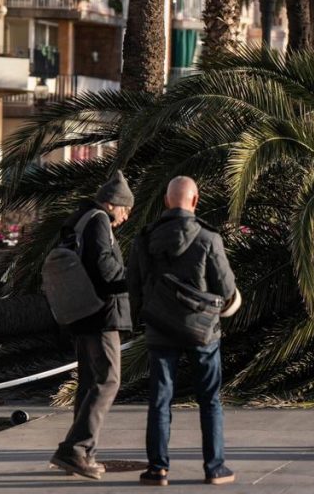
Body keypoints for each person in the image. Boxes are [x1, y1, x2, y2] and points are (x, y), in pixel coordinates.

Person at [128, 176, 240, 486]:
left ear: (166, 201)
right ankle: (215, 468)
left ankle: (157, 469)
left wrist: (147, 316)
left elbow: (133, 288)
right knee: (210, 400)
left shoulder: (145, 238)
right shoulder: (208, 238)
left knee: (160, 400)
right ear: (195, 201)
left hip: (160, 331)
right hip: (202, 333)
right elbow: (226, 287)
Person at [50, 170, 134, 480]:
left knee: (88, 383)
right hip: (100, 314)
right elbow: (103, 265)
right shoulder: (98, 219)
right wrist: (130, 283)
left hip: (81, 314)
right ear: (113, 203)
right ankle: (76, 448)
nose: (125, 217)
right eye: (125, 209)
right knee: (109, 379)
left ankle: (81, 453)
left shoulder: (79, 217)